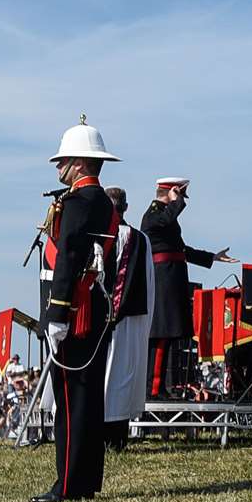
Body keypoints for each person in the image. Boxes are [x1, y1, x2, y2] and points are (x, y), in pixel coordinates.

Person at [35, 117, 120, 502]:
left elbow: (68, 258)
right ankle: (84, 480)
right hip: (96, 305)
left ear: (81, 164)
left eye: (64, 160)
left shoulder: (78, 201)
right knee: (87, 400)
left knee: (69, 401)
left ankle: (68, 484)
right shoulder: (101, 201)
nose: (58, 167)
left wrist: (56, 314)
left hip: (76, 309)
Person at [142, 178, 236, 399]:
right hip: (162, 280)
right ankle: (153, 389)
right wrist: (176, 202)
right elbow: (164, 222)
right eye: (181, 194)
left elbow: (181, 249)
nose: (183, 199)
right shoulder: (154, 215)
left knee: (168, 335)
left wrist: (212, 257)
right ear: (172, 191)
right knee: (161, 335)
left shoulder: (167, 217)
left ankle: (158, 388)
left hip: (171, 280)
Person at [102, 186, 155, 450]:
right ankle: (116, 438)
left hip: (106, 318)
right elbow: (149, 284)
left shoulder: (102, 236)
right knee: (120, 378)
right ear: (126, 207)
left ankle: (103, 437)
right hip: (130, 320)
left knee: (107, 379)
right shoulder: (139, 239)